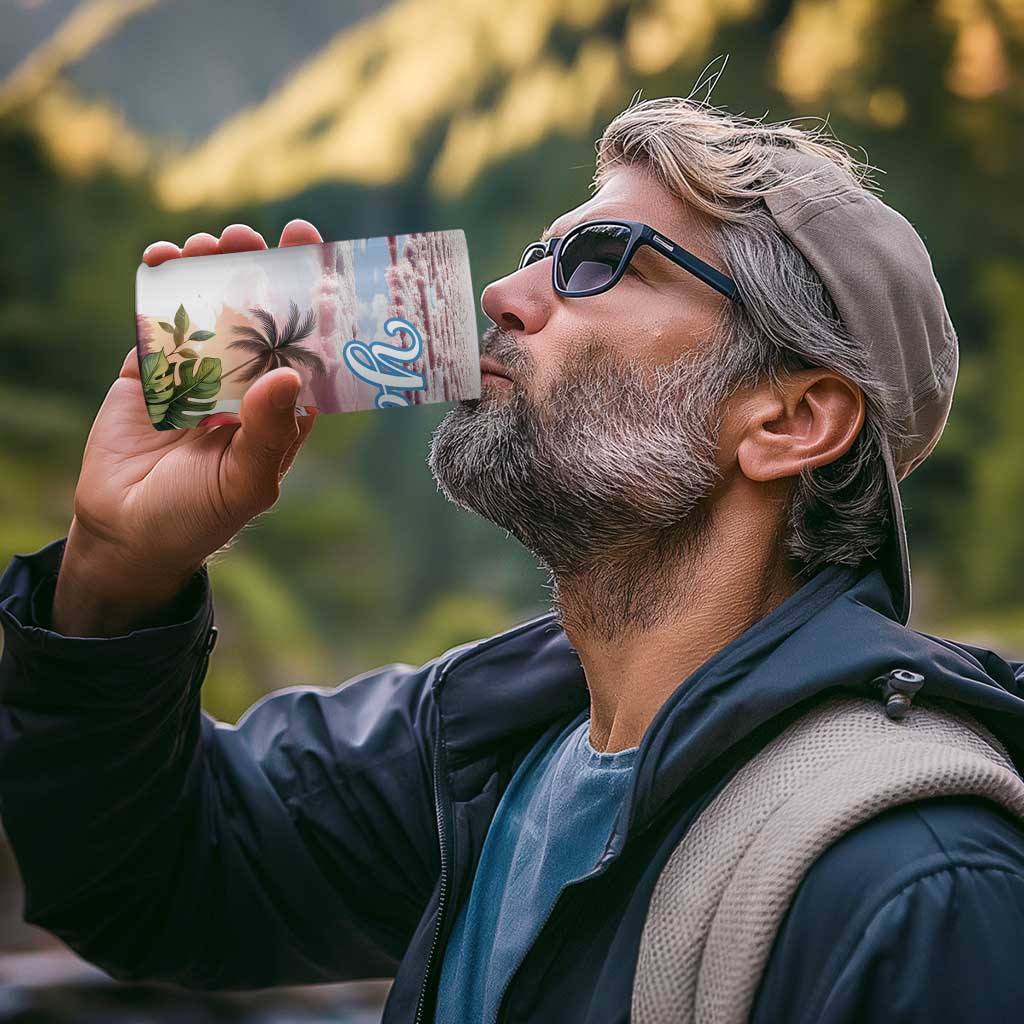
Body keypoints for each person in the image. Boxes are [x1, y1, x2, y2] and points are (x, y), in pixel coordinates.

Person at [2, 95, 1024, 1024]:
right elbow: (149, 880)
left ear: (791, 419)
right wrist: (115, 571)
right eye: (540, 252)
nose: (502, 291)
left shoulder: (918, 884)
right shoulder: (480, 749)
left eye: (599, 261)